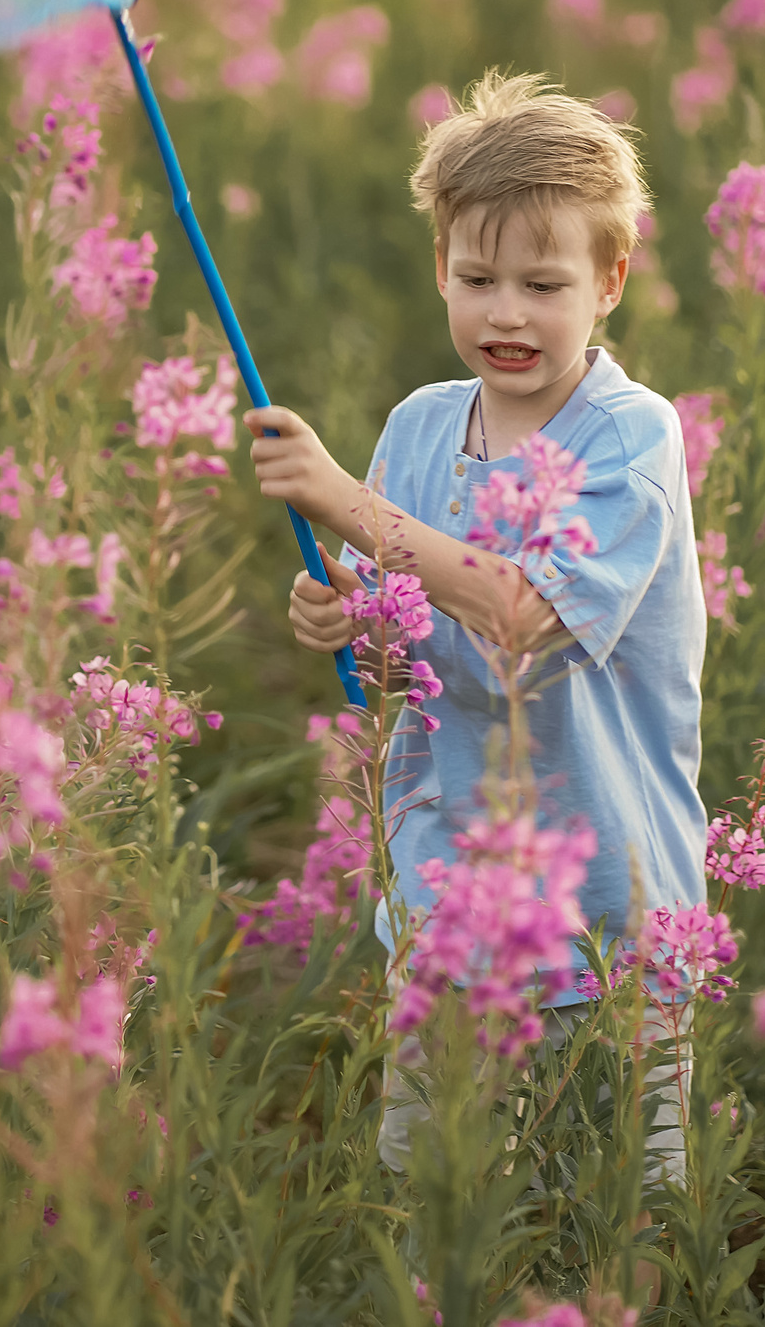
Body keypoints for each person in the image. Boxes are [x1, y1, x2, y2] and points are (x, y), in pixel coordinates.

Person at [244, 69, 706, 1180]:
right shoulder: (418, 426)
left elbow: (513, 609)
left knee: (623, 1217)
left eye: (544, 283)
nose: (505, 312)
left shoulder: (629, 438)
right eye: (476, 277)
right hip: (446, 900)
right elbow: (397, 622)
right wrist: (340, 610)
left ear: (611, 280)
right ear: (438, 269)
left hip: (610, 918)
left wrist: (338, 499)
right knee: (434, 1194)